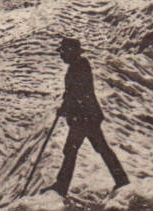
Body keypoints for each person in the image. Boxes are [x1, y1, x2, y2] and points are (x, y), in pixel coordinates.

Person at [51, 37, 128, 196]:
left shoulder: (79, 67)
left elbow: (77, 93)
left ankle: (61, 186)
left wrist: (65, 108)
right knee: (99, 148)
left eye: (64, 52)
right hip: (87, 117)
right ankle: (122, 180)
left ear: (72, 52)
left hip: (84, 118)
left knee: (72, 150)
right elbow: (72, 93)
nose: (61, 56)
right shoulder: (78, 66)